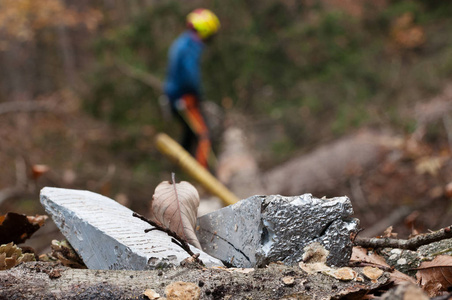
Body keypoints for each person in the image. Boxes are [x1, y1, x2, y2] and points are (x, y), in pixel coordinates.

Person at [164, 8, 220, 170]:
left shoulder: (183, 42)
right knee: (203, 136)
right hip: (184, 98)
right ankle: (204, 177)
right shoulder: (190, 46)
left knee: (189, 136)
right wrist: (198, 94)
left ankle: (176, 173)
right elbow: (189, 76)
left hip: (176, 97)